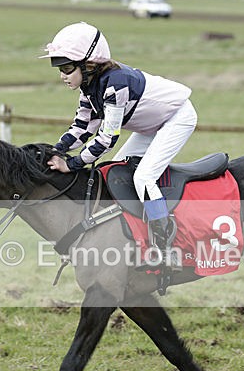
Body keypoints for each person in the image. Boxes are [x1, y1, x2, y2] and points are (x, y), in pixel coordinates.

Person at [41, 22, 197, 267]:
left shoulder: (116, 83)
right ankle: (127, 235)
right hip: (151, 125)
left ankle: (167, 247)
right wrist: (54, 151)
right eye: (59, 68)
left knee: (143, 178)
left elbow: (107, 138)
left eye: (67, 68)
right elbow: (82, 128)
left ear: (88, 64)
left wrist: (72, 164)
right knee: (114, 170)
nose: (62, 75)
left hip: (177, 118)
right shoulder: (88, 87)